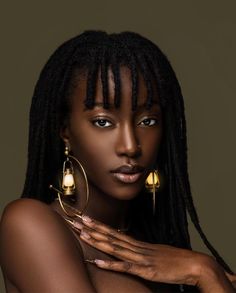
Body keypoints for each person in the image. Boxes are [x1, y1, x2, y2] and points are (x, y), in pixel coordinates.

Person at [0, 30, 235, 293]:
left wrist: (206, 272)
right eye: (103, 122)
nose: (131, 146)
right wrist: (203, 270)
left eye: (148, 121)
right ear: (65, 130)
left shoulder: (157, 247)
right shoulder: (31, 225)